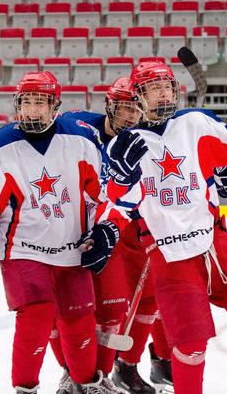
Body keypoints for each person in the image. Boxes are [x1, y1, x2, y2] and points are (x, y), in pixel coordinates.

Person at [104, 60, 227, 394]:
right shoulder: (124, 146)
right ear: (138, 97)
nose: (162, 93)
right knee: (190, 343)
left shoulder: (195, 123)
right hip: (170, 254)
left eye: (167, 86)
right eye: (153, 88)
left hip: (216, 242)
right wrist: (122, 178)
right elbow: (125, 202)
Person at [0, 71, 126, 394]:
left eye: (40, 103)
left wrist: (105, 228)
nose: (32, 110)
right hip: (22, 247)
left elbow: (105, 192)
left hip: (72, 246)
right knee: (36, 315)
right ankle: (25, 389)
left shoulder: (81, 138)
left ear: (55, 106)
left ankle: (87, 384)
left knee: (79, 321)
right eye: (27, 103)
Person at [54, 76, 172, 394]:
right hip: (75, 226)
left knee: (119, 306)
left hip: (120, 227)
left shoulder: (143, 139)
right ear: (110, 105)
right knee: (68, 306)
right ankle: (71, 371)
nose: (131, 117)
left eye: (137, 110)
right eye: (124, 109)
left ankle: (108, 373)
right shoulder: (76, 127)